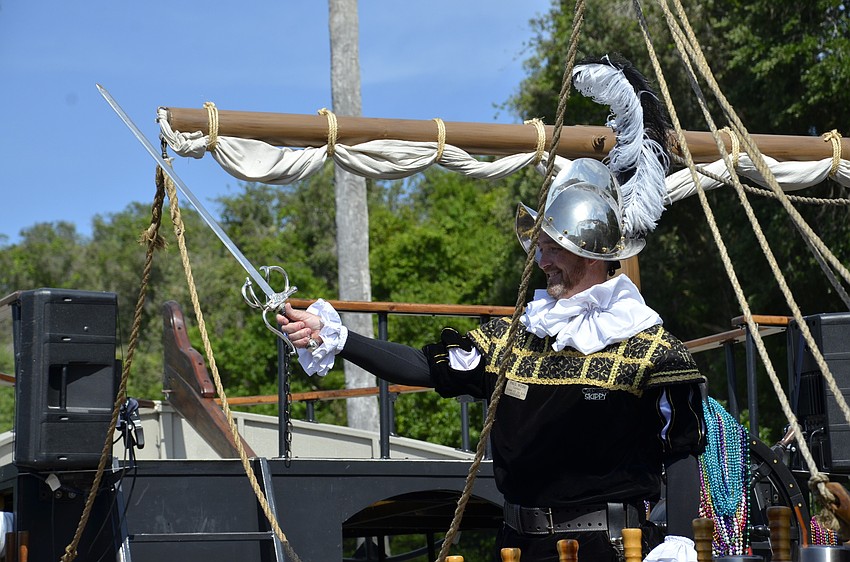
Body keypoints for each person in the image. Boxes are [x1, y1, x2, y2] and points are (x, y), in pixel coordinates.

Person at [278, 55, 706, 562]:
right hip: (518, 549)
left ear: (589, 253)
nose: (541, 260)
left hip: (610, 549)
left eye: (552, 247)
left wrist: (679, 538)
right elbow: (423, 366)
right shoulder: (515, 339)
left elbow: (683, 453)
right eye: (541, 246)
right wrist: (338, 337)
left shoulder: (651, 349)